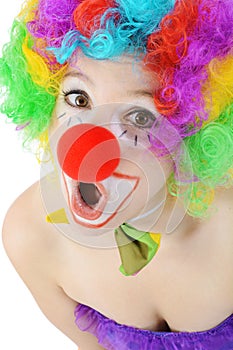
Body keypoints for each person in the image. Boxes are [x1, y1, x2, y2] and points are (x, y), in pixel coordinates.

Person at [1, 0, 233, 349]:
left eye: (140, 118)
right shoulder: (30, 237)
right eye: (78, 98)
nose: (90, 148)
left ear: (195, 132)